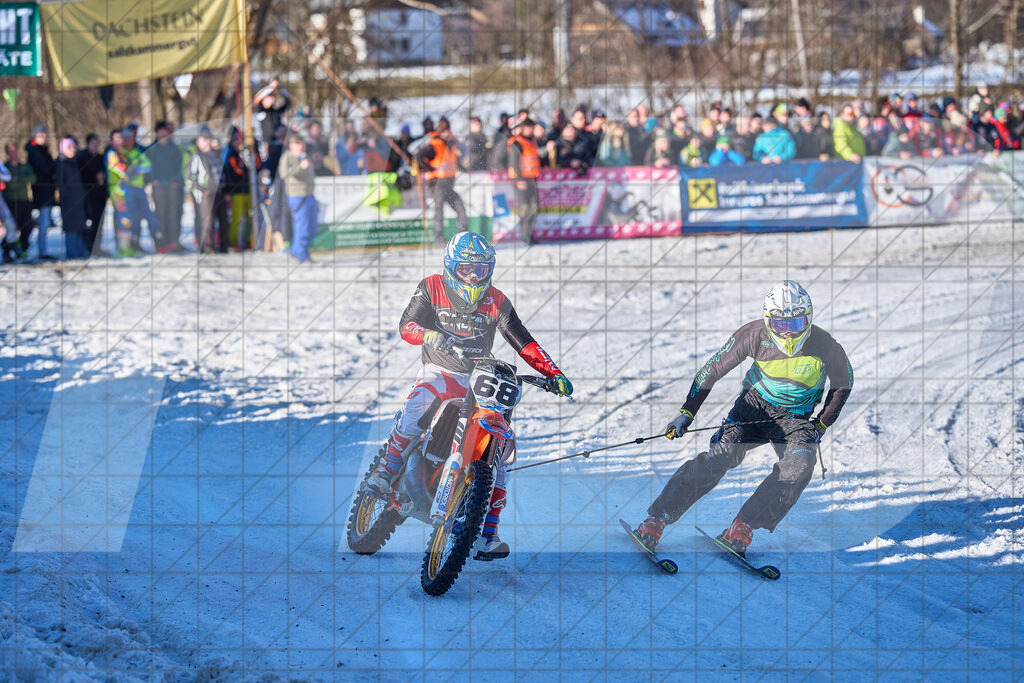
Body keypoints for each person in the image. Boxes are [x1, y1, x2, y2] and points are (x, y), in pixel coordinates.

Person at [367, 231, 574, 560]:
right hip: (440, 370)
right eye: (466, 269)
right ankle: (385, 472)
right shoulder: (432, 287)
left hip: (480, 377)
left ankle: (487, 531)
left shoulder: (497, 300)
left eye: (481, 270)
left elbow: (523, 340)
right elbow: (407, 325)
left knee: (501, 449)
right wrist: (431, 335)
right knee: (419, 401)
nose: (474, 277)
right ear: (451, 266)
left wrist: (553, 372)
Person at [632, 281, 853, 556]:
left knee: (800, 465)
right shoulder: (753, 334)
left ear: (808, 319)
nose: (787, 333)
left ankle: (742, 526)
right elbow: (710, 371)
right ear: (767, 320)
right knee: (720, 457)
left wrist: (821, 424)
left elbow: (843, 383)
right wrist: (687, 412)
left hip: (796, 418)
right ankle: (656, 519)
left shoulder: (825, 344)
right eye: (780, 325)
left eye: (796, 324)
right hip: (753, 408)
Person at [106, 126, 157, 257]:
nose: (123, 141)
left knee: (130, 219)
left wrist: (135, 169)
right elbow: (121, 170)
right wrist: (133, 170)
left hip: (129, 190)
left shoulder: (129, 152)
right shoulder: (113, 153)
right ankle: (122, 248)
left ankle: (126, 247)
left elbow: (147, 166)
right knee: (124, 219)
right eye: (120, 138)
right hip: (118, 192)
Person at [416, 117, 467, 245]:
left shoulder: (451, 145)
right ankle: (439, 239)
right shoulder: (434, 145)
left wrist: (463, 168)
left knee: (461, 208)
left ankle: (464, 238)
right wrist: (429, 168)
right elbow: (419, 157)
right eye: (445, 131)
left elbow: (454, 161)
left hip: (449, 185)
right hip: (437, 184)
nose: (447, 133)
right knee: (439, 211)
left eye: (448, 130)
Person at [278, 133, 318, 263]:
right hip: (297, 196)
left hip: (309, 194)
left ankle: (296, 250)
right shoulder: (287, 157)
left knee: (312, 226)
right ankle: (302, 255)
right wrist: (300, 167)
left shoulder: (304, 156)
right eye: (297, 143)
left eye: (302, 143)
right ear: (291, 145)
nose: (300, 146)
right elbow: (284, 174)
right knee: (303, 226)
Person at [148, 122, 185, 253]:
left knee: (174, 214)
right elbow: (147, 166)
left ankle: (174, 242)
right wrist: (152, 179)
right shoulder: (151, 149)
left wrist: (178, 180)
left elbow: (180, 165)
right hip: (159, 187)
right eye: (161, 131)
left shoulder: (174, 148)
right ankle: (162, 243)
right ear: (157, 132)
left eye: (165, 131)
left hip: (173, 186)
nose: (163, 134)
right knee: (160, 215)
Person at [186, 127, 223, 253]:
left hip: (218, 191)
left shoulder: (215, 154)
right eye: (204, 138)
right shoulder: (196, 157)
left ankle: (217, 245)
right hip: (205, 194)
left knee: (219, 220)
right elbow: (190, 177)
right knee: (207, 222)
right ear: (198, 141)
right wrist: (202, 189)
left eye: (208, 138)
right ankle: (206, 247)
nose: (207, 141)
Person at [507, 119, 541, 244]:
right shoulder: (518, 142)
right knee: (525, 207)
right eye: (527, 127)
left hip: (531, 179)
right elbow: (514, 163)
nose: (529, 129)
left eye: (531, 127)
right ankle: (524, 235)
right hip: (521, 179)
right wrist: (519, 179)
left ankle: (528, 234)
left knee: (534, 207)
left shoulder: (532, 142)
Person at [25, 125, 57, 259]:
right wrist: (55, 164)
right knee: (43, 223)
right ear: (35, 136)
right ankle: (42, 251)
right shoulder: (34, 152)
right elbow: (44, 169)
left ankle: (43, 249)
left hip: (47, 191)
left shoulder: (43, 151)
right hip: (41, 191)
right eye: (41, 135)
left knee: (45, 222)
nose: (44, 138)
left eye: (45, 135)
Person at [55, 138, 89, 259]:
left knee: (79, 227)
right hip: (69, 201)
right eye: (70, 148)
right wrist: (69, 195)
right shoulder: (61, 163)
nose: (73, 150)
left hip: (79, 199)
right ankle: (72, 253)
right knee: (71, 228)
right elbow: (60, 183)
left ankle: (79, 251)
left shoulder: (75, 162)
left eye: (74, 147)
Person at [2, 143, 36, 261]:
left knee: (27, 227)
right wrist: (19, 182)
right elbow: (9, 184)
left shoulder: (24, 166)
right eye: (11, 151)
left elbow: (32, 178)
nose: (14, 153)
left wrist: (18, 179)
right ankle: (8, 252)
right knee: (11, 228)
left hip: (25, 201)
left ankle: (22, 251)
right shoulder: (6, 166)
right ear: (7, 152)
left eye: (15, 150)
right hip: (10, 201)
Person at [222, 128, 253, 249]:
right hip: (236, 190)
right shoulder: (231, 155)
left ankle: (249, 240)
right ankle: (233, 241)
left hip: (248, 190)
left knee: (250, 215)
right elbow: (237, 172)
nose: (238, 143)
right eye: (235, 140)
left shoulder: (247, 153)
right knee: (237, 217)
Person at [76, 134, 107, 255]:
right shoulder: (82, 157)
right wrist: (94, 177)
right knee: (88, 223)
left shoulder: (100, 158)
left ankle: (97, 246)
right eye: (93, 143)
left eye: (97, 143)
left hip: (100, 195)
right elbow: (80, 176)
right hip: (86, 195)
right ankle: (88, 245)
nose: (95, 146)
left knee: (99, 222)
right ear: (88, 144)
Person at [253, 79, 291, 148]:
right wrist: (270, 87)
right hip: (264, 145)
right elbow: (257, 97)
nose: (272, 100)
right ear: (263, 100)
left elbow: (288, 100)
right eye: (269, 98)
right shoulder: (259, 110)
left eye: (272, 98)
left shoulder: (277, 111)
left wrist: (280, 89)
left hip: (279, 143)